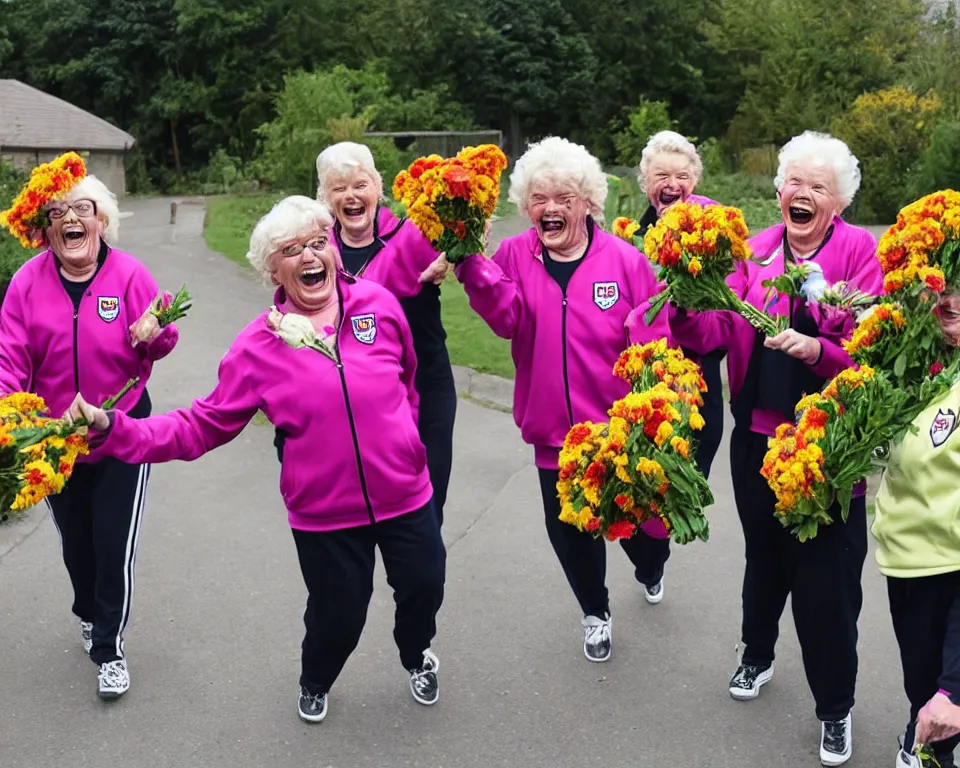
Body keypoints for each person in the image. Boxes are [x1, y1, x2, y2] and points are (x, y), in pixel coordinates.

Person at [64, 196, 446, 724]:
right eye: (292, 250)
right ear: (274, 269)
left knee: (426, 584)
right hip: (325, 512)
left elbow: (408, 380)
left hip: (405, 492)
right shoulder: (258, 346)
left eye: (318, 243)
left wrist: (408, 442)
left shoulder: (379, 306)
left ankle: (415, 651)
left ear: (333, 249)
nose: (310, 256)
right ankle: (316, 678)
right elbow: (201, 425)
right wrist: (116, 429)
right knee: (339, 613)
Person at [667, 131, 882, 766]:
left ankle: (835, 707)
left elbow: (870, 350)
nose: (804, 194)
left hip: (830, 444)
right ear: (779, 190)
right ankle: (756, 654)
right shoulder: (752, 251)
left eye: (819, 187)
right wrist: (684, 299)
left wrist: (819, 350)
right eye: (796, 183)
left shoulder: (858, 253)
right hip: (757, 436)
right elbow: (711, 331)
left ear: (836, 202)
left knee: (826, 580)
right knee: (763, 558)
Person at [446, 136, 672, 663]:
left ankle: (650, 563)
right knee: (570, 528)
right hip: (554, 432)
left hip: (620, 427)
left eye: (564, 198)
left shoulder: (625, 261)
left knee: (640, 525)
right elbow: (505, 319)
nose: (550, 209)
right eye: (540, 198)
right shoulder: (511, 255)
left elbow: (654, 339)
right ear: (527, 206)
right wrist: (471, 265)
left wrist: (654, 399)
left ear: (588, 202)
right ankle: (595, 611)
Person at [0, 161, 179, 700]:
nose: (71, 220)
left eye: (82, 210)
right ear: (46, 228)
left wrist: (154, 331)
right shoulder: (26, 284)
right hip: (54, 440)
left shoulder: (128, 275)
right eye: (58, 213)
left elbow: (163, 334)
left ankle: (109, 648)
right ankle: (88, 609)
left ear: (101, 221)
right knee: (77, 542)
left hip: (123, 431)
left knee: (112, 540)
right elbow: (9, 359)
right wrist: (9, 415)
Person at [274, 142, 456, 527]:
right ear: (325, 199)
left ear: (377, 188)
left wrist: (453, 257)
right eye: (338, 189)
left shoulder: (416, 234)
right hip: (357, 401)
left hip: (426, 386)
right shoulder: (318, 252)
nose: (351, 196)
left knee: (425, 511)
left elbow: (471, 238)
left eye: (360, 184)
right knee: (359, 516)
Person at [873, 292, 960, 768]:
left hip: (952, 561)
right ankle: (921, 736)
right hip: (904, 558)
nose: (948, 300)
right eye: (943, 286)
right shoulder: (916, 355)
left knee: (944, 701)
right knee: (922, 687)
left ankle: (931, 751)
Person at [636, 130, 725, 477]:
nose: (672, 184)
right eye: (661, 176)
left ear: (695, 181)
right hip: (646, 387)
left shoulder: (713, 231)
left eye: (682, 176)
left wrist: (684, 305)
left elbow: (722, 328)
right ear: (646, 183)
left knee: (684, 494)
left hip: (698, 386)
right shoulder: (635, 238)